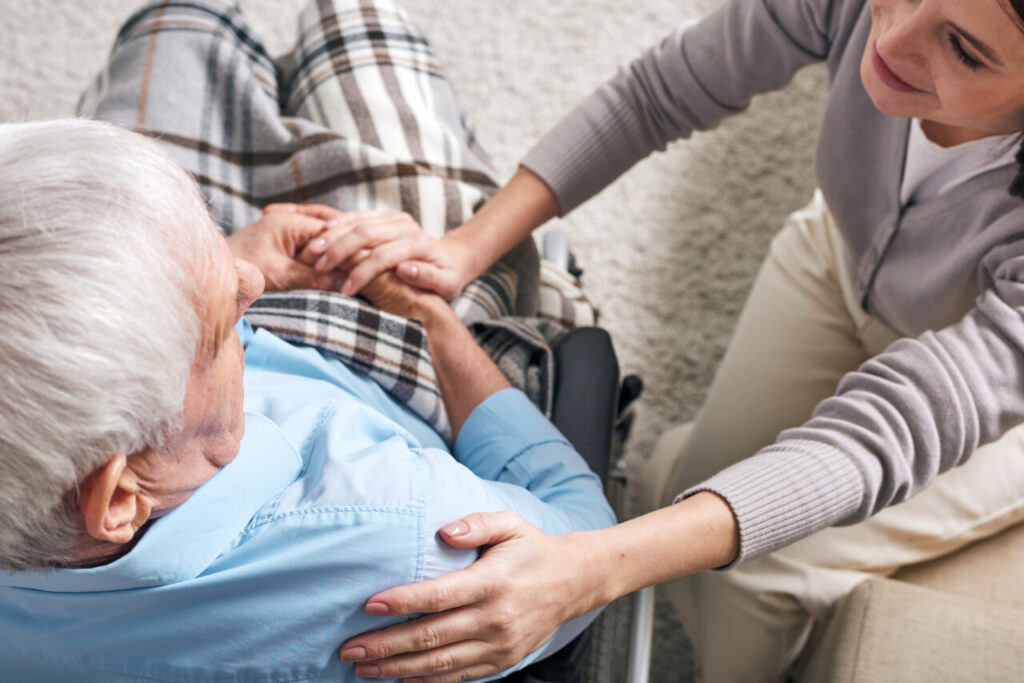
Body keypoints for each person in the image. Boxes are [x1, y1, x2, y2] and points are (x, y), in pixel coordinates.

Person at [320, 0, 1024, 681]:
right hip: (836, 257)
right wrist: (467, 246)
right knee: (679, 495)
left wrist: (596, 567)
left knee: (748, 584)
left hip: (991, 389)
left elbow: (887, 433)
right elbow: (661, 92)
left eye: (964, 48)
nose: (894, 39)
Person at [0, 118, 616, 680]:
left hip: (203, 352)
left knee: (178, 18)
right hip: (413, 373)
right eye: (217, 338)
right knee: (360, 40)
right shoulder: (407, 537)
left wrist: (208, 267)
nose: (254, 283)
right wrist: (434, 321)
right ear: (121, 497)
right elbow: (582, 529)